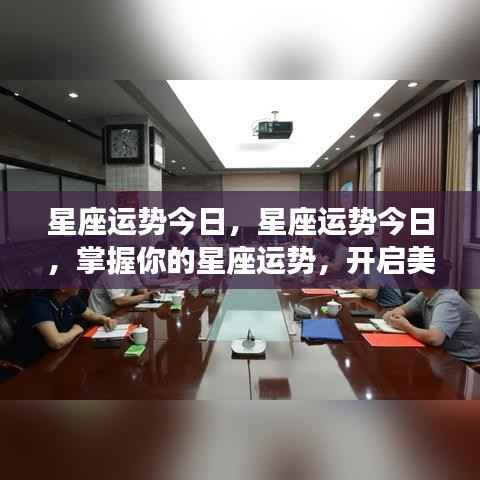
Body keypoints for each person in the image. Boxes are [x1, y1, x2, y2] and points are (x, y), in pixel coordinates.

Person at [383, 259, 480, 363]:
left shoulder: (448, 301)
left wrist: (406, 326)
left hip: (463, 362)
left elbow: (435, 339)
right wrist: (394, 316)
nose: (412, 275)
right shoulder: (426, 293)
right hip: (442, 354)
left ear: (424, 280)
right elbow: (401, 310)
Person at [15, 281, 117, 366]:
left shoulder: (70, 298)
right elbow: (56, 342)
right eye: (76, 280)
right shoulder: (39, 304)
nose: (80, 283)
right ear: (62, 288)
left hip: (60, 355)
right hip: (34, 364)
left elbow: (90, 314)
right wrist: (76, 329)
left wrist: (105, 319)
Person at [347, 237, 404, 308]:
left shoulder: (376, 269)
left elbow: (372, 295)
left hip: (390, 307)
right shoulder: (372, 262)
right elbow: (358, 280)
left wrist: (354, 289)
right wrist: (348, 284)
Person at [88, 271, 155, 315]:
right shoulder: (112, 274)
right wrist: (145, 296)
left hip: (118, 312)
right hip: (100, 317)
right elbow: (119, 301)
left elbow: (139, 288)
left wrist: (148, 293)